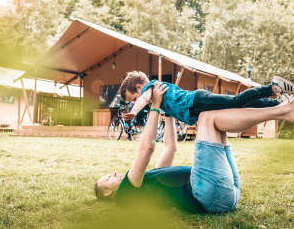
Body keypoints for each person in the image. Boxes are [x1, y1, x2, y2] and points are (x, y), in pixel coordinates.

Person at [95, 82, 294, 213]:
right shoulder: (124, 193)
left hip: (225, 194)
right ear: (106, 193)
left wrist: (167, 112)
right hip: (206, 193)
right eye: (107, 178)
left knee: (217, 123)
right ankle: (282, 110)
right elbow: (147, 148)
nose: (112, 173)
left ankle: (281, 109)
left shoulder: (149, 183)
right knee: (206, 117)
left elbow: (170, 148)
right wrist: (154, 105)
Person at [121, 71, 294, 125]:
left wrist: (135, 111)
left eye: (133, 98)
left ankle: (273, 88)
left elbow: (143, 99)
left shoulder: (150, 87)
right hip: (197, 105)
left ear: (139, 87)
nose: (137, 100)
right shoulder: (157, 95)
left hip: (196, 101)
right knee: (237, 106)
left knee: (236, 101)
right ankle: (276, 103)